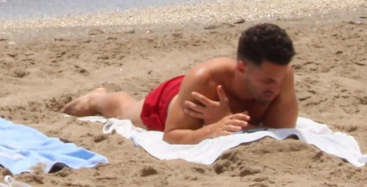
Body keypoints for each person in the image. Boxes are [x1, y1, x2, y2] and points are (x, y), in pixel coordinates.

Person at [60, 23, 297, 143]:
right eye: (267, 80)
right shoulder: (206, 77)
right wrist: (212, 129)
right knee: (126, 110)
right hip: (183, 98)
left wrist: (227, 120)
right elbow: (171, 136)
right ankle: (96, 98)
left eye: (278, 79)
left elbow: (281, 133)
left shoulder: (281, 76)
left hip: (213, 108)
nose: (275, 88)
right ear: (242, 67)